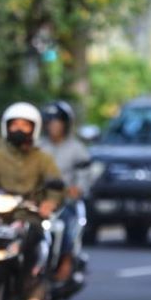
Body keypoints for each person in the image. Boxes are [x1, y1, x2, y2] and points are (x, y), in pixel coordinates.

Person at [0, 102, 64, 300]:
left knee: (34, 240)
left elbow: (56, 187)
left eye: (25, 125)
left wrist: (49, 203)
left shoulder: (43, 159)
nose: (19, 129)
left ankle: (29, 283)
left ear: (35, 128)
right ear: (6, 127)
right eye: (15, 125)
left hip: (27, 215)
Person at [40, 100, 92, 282]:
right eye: (50, 122)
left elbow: (85, 175)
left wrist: (77, 189)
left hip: (65, 202)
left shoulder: (76, 148)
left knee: (69, 224)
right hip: (41, 200)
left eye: (58, 122)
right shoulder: (39, 146)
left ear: (65, 124)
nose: (54, 126)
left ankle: (66, 259)